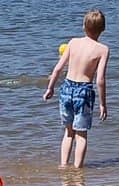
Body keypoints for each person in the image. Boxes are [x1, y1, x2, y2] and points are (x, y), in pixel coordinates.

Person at [43, 9, 109, 169]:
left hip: (66, 88)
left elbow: (58, 69)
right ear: (103, 29)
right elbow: (100, 80)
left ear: (83, 27)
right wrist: (102, 104)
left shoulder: (72, 43)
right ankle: (78, 170)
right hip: (83, 91)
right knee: (81, 135)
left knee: (68, 132)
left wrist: (50, 88)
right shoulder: (103, 49)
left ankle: (63, 166)